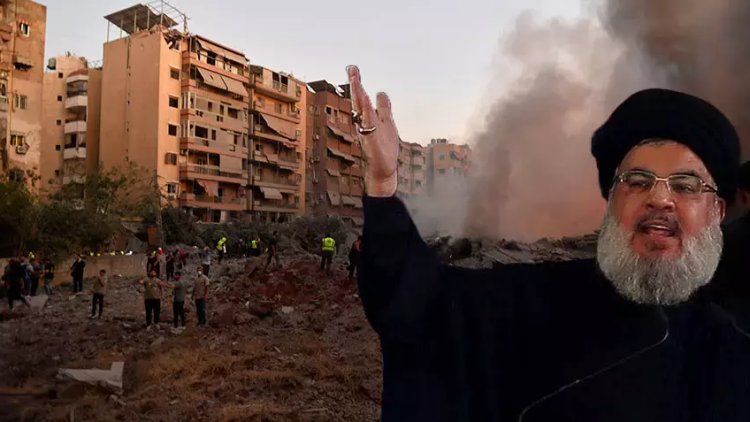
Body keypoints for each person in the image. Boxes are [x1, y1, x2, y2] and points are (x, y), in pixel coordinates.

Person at [348, 65, 750, 421]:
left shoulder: (736, 352)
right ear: (612, 203)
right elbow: (420, 303)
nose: (660, 199)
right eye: (638, 181)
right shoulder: (537, 303)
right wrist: (383, 187)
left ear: (716, 211)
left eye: (685, 185)